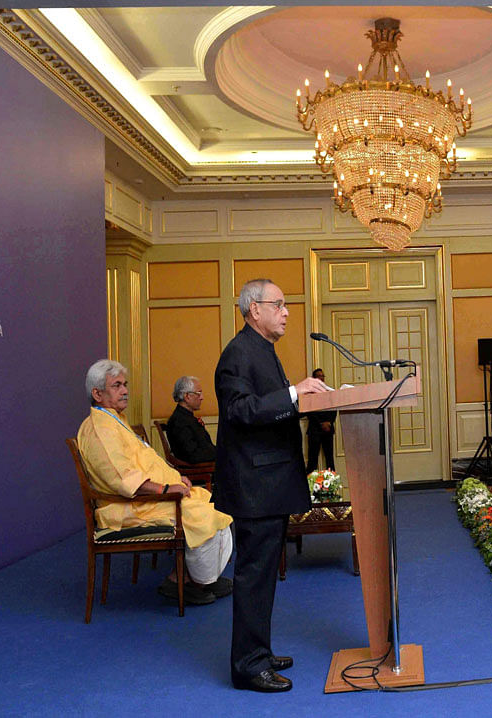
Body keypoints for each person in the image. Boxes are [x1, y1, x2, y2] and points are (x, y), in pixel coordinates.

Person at [214, 278, 330, 693]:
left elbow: (269, 409)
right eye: (278, 304)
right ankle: (248, 666)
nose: (286, 312)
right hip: (254, 485)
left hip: (268, 481)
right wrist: (294, 393)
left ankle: (258, 651)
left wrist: (303, 397)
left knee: (262, 576)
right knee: (254, 575)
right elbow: (240, 411)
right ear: (253, 309)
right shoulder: (238, 354)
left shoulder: (261, 350)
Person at [77, 360, 233, 606]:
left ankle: (200, 577)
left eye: (125, 384)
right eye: (116, 385)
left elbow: (145, 459)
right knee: (202, 514)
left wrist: (173, 477)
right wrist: (165, 488)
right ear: (97, 393)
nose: (125, 390)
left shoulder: (115, 419)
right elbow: (123, 478)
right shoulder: (99, 429)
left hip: (148, 499)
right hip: (130, 506)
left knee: (212, 503)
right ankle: (181, 581)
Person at [166, 375, 216, 464]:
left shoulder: (186, 418)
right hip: (200, 471)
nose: (202, 397)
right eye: (199, 393)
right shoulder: (179, 422)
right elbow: (193, 455)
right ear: (187, 396)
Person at [305, 368, 337, 471]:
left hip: (328, 429)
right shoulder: (309, 394)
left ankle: (332, 484)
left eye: (323, 376)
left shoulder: (329, 392)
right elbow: (309, 411)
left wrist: (329, 422)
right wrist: (321, 424)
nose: (322, 378)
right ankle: (309, 485)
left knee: (329, 460)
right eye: (319, 376)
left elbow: (334, 408)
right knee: (312, 460)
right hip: (315, 430)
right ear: (314, 379)